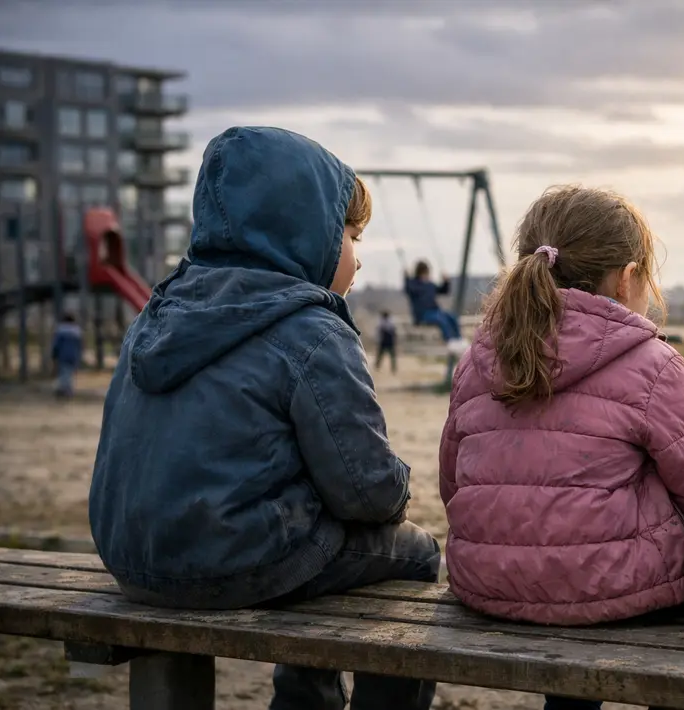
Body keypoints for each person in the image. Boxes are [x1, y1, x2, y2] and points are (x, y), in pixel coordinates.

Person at [88, 126, 439, 710]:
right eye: (350, 235)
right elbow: (366, 493)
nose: (358, 254)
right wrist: (397, 486)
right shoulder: (312, 329)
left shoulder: (159, 312)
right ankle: (314, 700)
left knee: (312, 532)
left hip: (133, 554)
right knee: (415, 554)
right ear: (305, 234)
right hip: (231, 561)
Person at [438, 185, 684, 710]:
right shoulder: (653, 363)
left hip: (489, 583)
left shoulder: (480, 358)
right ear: (629, 278)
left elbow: (453, 482)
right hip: (610, 591)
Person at [404, 260, 466, 354]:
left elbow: (444, 291)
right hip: (422, 315)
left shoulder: (430, 285)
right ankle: (450, 340)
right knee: (441, 319)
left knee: (452, 316)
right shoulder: (414, 285)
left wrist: (446, 281)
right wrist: (406, 277)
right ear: (421, 273)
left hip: (435, 311)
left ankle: (458, 339)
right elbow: (408, 289)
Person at [51, 313, 83, 398]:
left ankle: (64, 390)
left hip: (63, 355)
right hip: (74, 356)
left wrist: (54, 355)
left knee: (63, 372)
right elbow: (80, 346)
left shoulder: (60, 331)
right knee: (69, 373)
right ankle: (67, 390)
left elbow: (56, 345)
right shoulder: (77, 332)